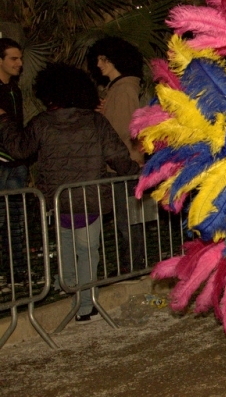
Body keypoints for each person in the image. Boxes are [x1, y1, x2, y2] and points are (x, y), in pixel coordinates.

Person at [0, 63, 140, 322]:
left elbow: (19, 149)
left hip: (57, 200)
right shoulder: (95, 121)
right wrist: (139, 173)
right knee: (88, 251)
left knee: (67, 248)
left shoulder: (42, 123)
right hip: (90, 198)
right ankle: (86, 305)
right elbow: (118, 157)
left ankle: (72, 292)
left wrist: (4, 121)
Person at [87, 37, 145, 272]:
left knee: (127, 220)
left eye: (103, 59)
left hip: (123, 165)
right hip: (123, 163)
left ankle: (132, 264)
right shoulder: (119, 88)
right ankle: (130, 263)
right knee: (126, 218)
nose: (99, 64)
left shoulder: (123, 89)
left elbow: (120, 129)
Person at [0, 38, 28, 286]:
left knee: (15, 218)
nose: (19, 63)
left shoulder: (14, 90)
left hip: (16, 161)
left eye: (20, 58)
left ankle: (16, 271)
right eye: (13, 58)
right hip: (3, 162)